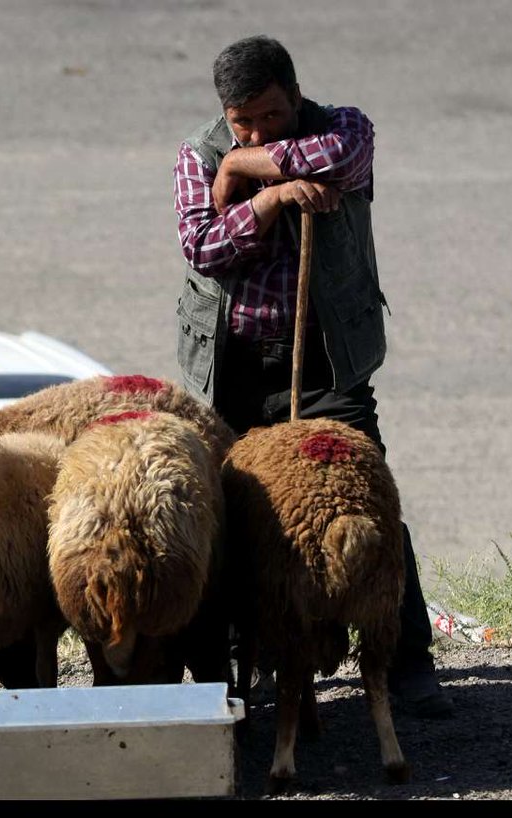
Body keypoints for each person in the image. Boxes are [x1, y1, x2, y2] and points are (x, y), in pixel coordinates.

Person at [172, 34, 453, 717]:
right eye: (243, 124)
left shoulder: (344, 128)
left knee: (366, 497)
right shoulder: (195, 154)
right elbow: (203, 246)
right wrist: (271, 200)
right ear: (224, 114)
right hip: (234, 367)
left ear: (294, 96)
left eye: (271, 115)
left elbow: (342, 158)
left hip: (327, 361)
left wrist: (248, 165)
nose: (258, 130)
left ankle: (406, 661)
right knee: (236, 515)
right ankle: (240, 668)